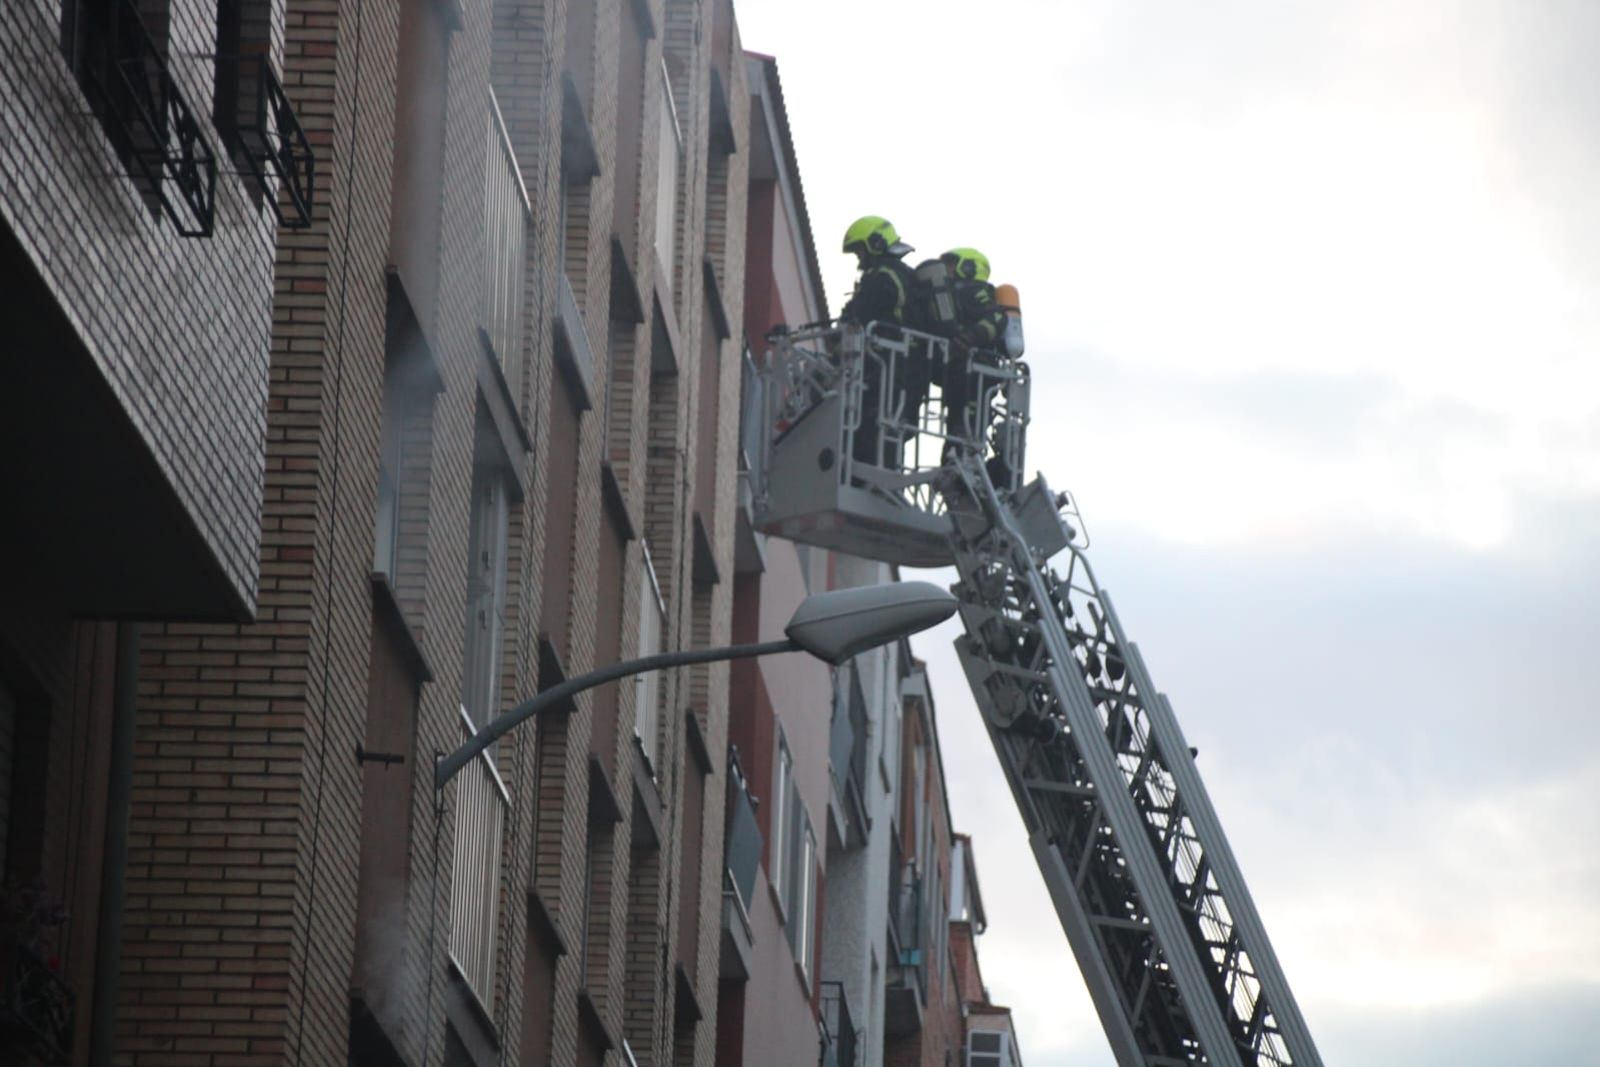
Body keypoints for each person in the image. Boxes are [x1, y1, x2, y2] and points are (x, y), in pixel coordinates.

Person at [839, 216, 920, 468]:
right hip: (905, 367)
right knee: (889, 427)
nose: (859, 259)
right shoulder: (904, 274)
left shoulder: (883, 276)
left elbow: (860, 312)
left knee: (872, 423)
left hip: (886, 363)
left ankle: (864, 473)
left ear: (875, 244)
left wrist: (839, 331)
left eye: (860, 251)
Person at [939, 248, 1007, 443]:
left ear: (968, 267)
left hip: (978, 369)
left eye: (950, 265)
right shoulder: (953, 294)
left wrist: (968, 338)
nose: (946, 270)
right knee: (957, 427)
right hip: (963, 372)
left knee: (966, 428)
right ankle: (953, 463)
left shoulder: (974, 290)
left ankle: (960, 459)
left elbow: (996, 317)